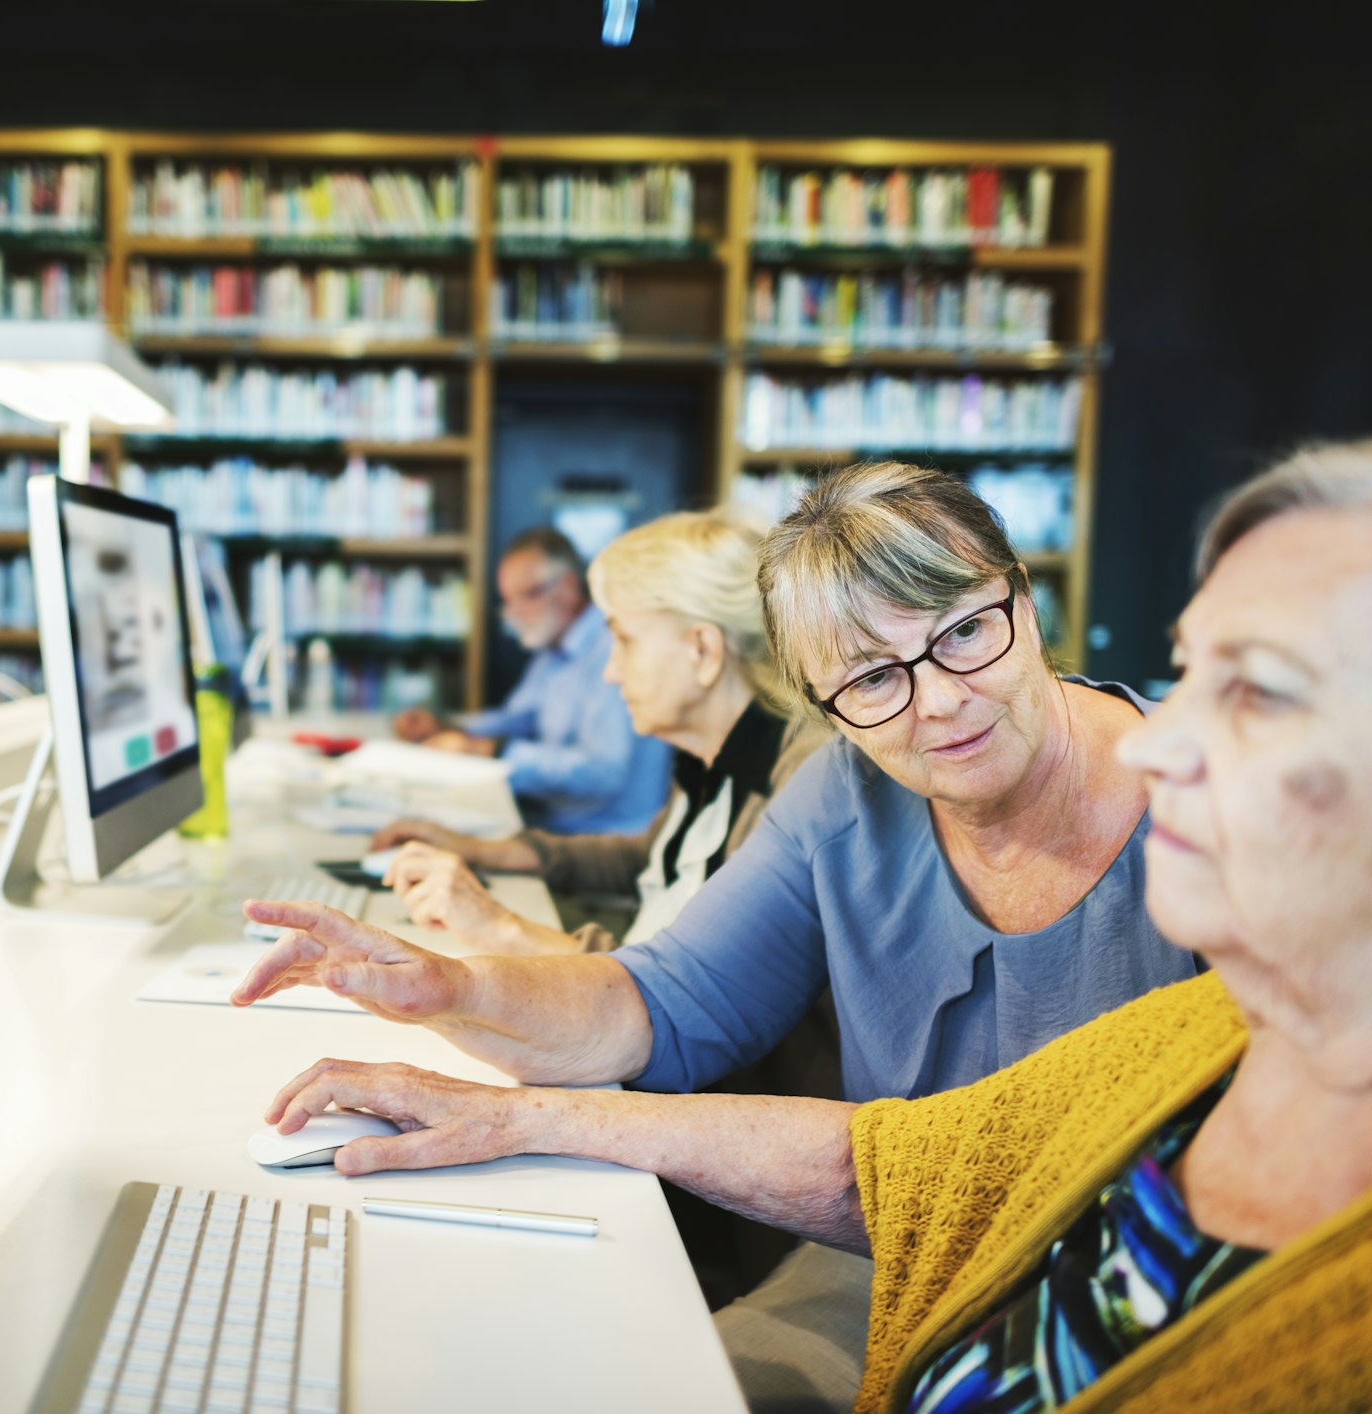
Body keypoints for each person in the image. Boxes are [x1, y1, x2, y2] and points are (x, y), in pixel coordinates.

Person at [251, 442, 1372, 1413]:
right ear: (820, 705)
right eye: (871, 679)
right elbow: (697, 1023)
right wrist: (458, 990)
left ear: (1024, 602)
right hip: (887, 1256)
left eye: (965, 633)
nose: (934, 702)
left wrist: (527, 1102)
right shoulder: (848, 796)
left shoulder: (1224, 873)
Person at [372, 509, 826, 956]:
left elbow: (692, 996)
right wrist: (479, 850)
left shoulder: (789, 793)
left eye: (624, 641)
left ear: (703, 650)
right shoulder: (711, 758)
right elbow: (649, 857)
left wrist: (500, 928)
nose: (610, 672)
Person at [391, 526, 670, 835]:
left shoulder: (609, 651)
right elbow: (518, 719)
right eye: (507, 601)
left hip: (600, 838)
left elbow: (602, 773)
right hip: (551, 823)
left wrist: (491, 752)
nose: (513, 614)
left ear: (565, 587)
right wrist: (448, 726)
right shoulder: (553, 647)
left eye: (525, 597)